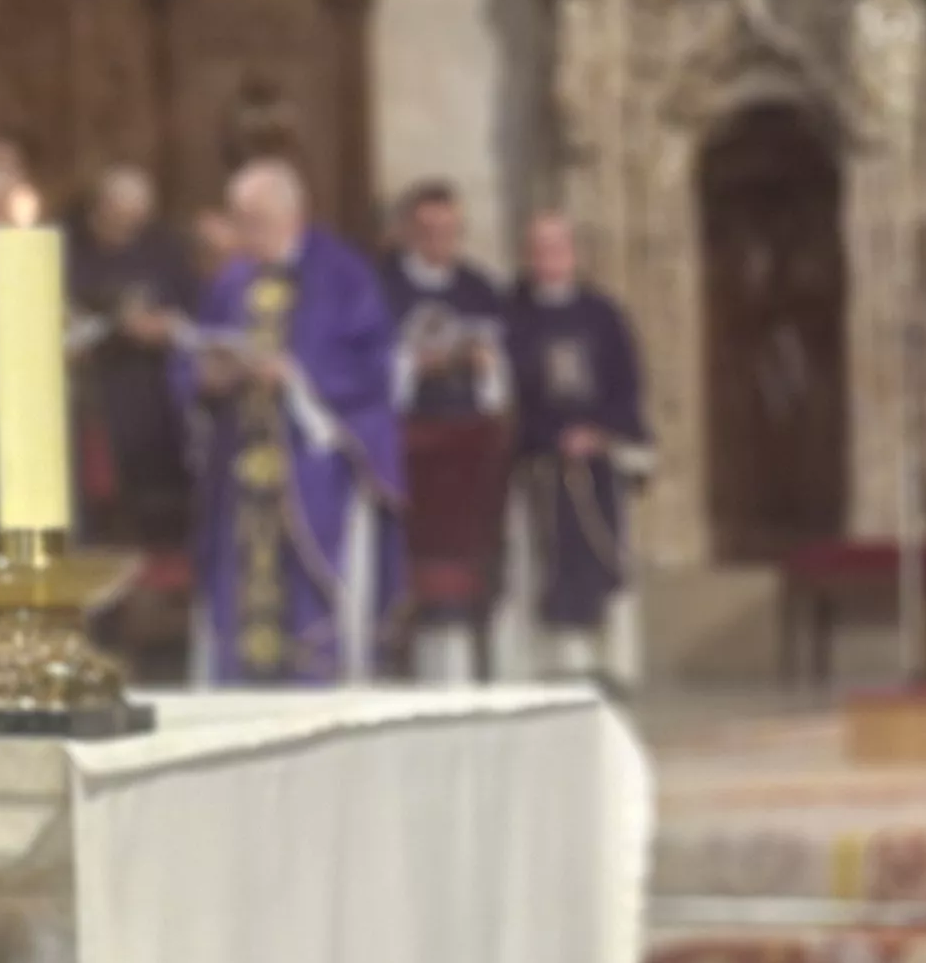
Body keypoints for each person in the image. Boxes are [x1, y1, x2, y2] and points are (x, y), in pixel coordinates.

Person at [179, 158, 401, 684]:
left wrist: (296, 376)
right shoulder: (232, 281)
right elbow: (193, 354)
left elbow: (373, 369)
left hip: (313, 467)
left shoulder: (344, 276)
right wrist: (207, 377)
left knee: (307, 603)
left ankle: (316, 691)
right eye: (238, 220)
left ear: (288, 216)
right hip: (240, 473)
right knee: (240, 594)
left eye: (250, 221)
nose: (239, 234)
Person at [504, 209, 648, 675]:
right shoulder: (512, 316)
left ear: (574, 252)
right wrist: (549, 438)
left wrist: (600, 431)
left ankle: (611, 664)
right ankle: (559, 663)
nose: (550, 257)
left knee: (603, 560)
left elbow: (627, 386)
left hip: (597, 464)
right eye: (540, 248)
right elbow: (505, 397)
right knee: (548, 565)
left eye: (558, 247)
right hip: (539, 468)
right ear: (527, 255)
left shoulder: (602, 315)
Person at [383, 180, 513, 680]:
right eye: (427, 230)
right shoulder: (383, 284)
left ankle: (468, 654)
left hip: (466, 448)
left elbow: (500, 383)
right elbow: (374, 363)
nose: (439, 241)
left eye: (449, 231)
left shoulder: (480, 289)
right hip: (405, 445)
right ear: (408, 231)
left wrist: (484, 364)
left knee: (470, 552)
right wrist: (416, 366)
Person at [71, 164, 195, 560]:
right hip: (94, 399)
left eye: (136, 222)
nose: (128, 231)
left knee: (157, 521)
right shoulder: (70, 249)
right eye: (120, 220)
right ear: (101, 208)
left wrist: (165, 326)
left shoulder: (163, 249)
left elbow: (190, 311)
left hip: (154, 401)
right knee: (98, 518)